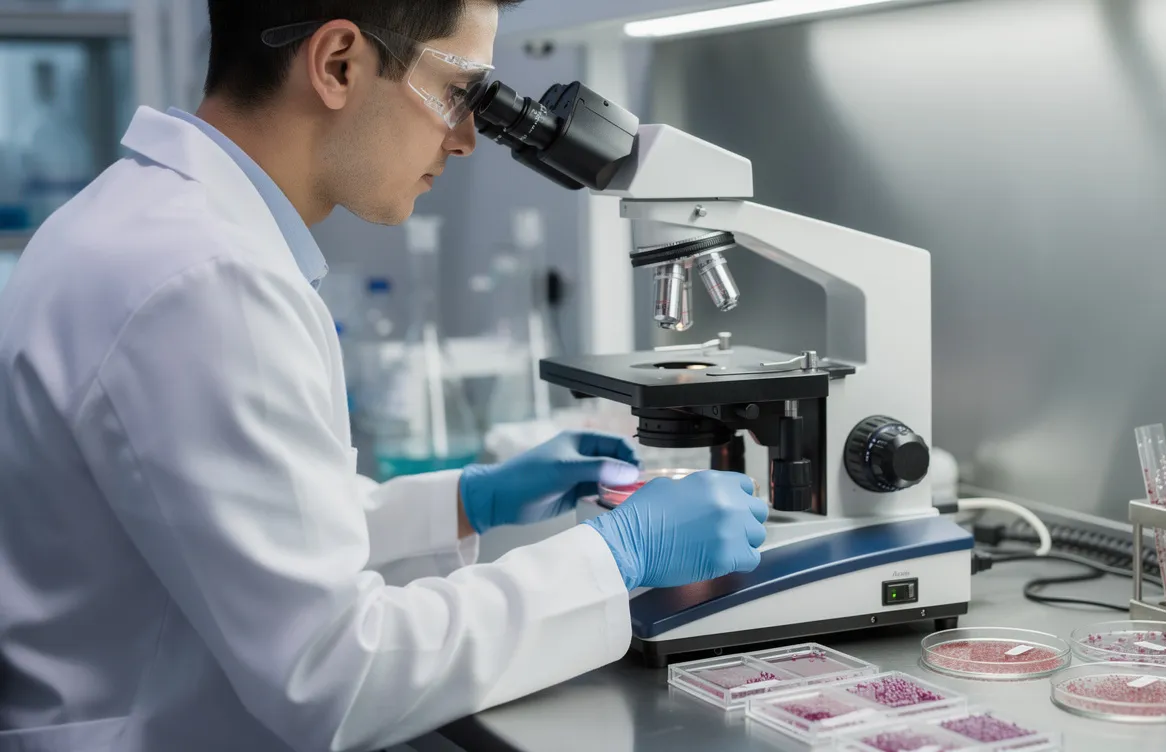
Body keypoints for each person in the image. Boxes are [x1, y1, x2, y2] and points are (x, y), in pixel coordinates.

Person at [0, 2, 769, 751]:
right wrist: (617, 555)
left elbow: (252, 533)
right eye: (461, 92)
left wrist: (463, 503)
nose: (467, 138)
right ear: (338, 63)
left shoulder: (148, 224)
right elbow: (337, 675)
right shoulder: (205, 281)